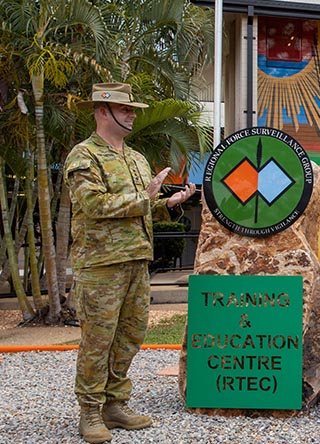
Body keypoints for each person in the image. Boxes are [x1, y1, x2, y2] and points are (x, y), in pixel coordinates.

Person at [66, 82, 196, 443]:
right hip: (101, 264)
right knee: (98, 340)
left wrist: (167, 204)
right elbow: (93, 205)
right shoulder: (84, 156)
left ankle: (115, 404)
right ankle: (90, 410)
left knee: (131, 335)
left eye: (133, 109)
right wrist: (145, 196)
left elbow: (141, 208)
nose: (133, 115)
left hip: (137, 260)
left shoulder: (136, 158)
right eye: (126, 109)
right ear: (103, 111)